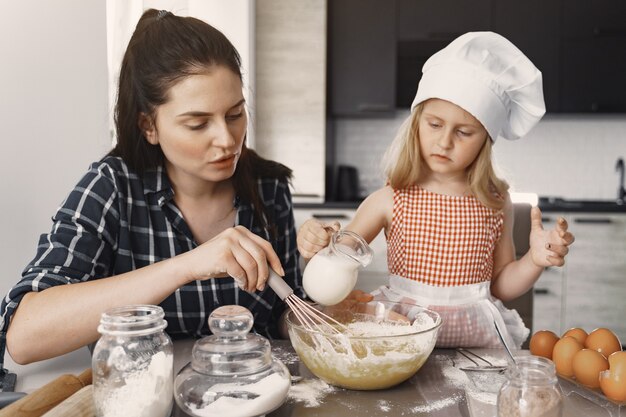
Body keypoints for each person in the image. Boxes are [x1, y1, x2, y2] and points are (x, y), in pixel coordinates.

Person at [0, 9, 304, 367]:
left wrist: (320, 315)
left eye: (235, 114)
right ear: (149, 126)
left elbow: (286, 310)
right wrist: (187, 266)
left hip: (252, 393)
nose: (227, 139)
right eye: (197, 124)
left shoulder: (268, 188)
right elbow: (23, 336)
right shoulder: (112, 188)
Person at [298, 32, 575, 349]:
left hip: (476, 346)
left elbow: (500, 286)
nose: (445, 142)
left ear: (485, 139)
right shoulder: (390, 198)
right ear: (416, 123)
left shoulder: (497, 203)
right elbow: (336, 262)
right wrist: (320, 245)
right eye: (434, 124)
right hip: (405, 337)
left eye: (464, 132)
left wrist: (535, 261)